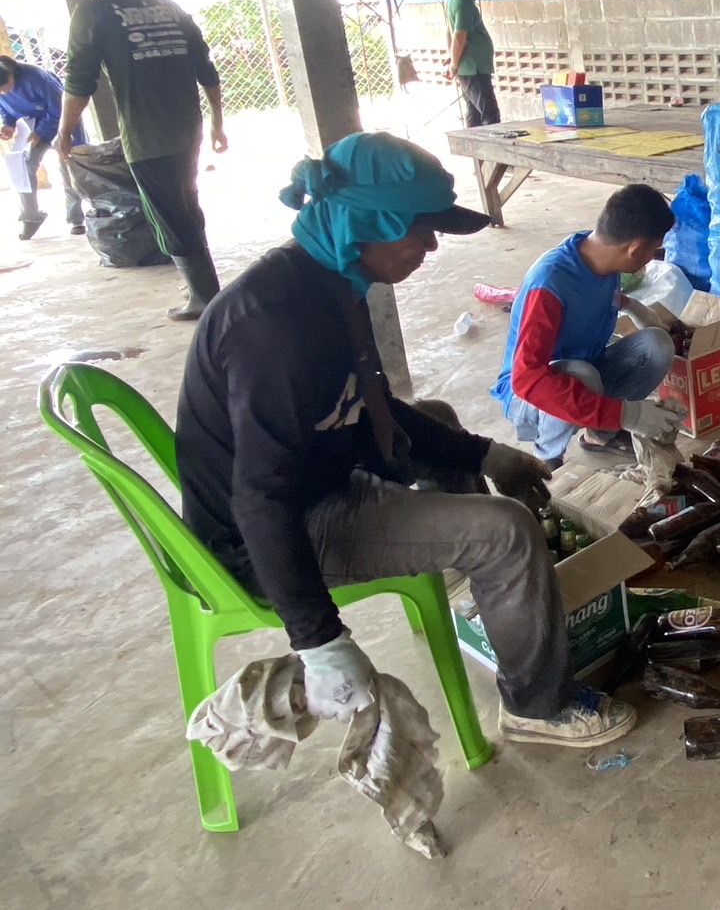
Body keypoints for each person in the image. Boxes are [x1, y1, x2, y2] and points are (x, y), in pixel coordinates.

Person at [176, 131, 636, 746]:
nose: (431, 244)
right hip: (274, 533)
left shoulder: (327, 280)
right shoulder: (276, 329)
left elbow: (366, 405)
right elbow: (260, 499)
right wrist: (319, 640)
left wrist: (482, 452)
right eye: (421, 230)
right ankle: (538, 706)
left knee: (436, 416)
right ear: (371, 224)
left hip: (313, 476)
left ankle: (483, 582)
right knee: (508, 531)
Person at [56, 0, 228, 321]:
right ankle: (203, 287)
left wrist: (64, 131)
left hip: (147, 137)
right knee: (185, 204)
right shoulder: (167, 5)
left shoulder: (93, 12)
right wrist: (217, 124)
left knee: (168, 214)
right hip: (187, 129)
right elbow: (206, 69)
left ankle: (204, 296)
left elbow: (78, 81)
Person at [494, 184, 683, 466]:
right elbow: (527, 379)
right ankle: (547, 457)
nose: (651, 258)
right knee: (582, 375)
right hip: (528, 397)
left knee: (656, 345)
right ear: (634, 249)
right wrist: (631, 415)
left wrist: (633, 307)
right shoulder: (549, 284)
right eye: (654, 249)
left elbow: (596, 295)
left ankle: (600, 435)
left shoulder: (599, 253)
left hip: (587, 370)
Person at [0, 54, 85, 240]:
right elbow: (5, 108)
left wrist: (41, 131)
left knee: (67, 166)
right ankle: (31, 216)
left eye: (4, 87)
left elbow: (60, 107)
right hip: (33, 127)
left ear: (12, 75)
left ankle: (76, 218)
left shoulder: (36, 77)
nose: (3, 93)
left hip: (63, 122)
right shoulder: (2, 92)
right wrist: (9, 124)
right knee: (24, 165)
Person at [445, 0, 500, 129]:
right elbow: (458, 36)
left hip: (472, 67)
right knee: (489, 114)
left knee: (474, 113)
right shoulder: (463, 2)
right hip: (472, 68)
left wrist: (453, 58)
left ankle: (475, 148)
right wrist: (453, 65)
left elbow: (450, 33)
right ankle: (490, 147)